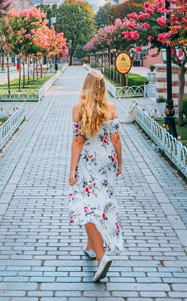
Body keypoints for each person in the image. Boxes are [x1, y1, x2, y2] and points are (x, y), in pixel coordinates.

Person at [69, 69, 123, 282]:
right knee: (101, 201)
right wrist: (120, 161)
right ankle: (91, 247)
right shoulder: (110, 108)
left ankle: (102, 257)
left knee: (83, 206)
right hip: (107, 160)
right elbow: (116, 138)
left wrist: (72, 169)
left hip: (88, 162)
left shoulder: (78, 110)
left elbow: (78, 141)